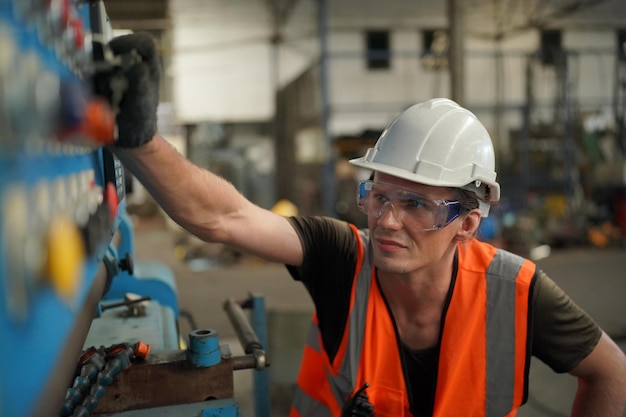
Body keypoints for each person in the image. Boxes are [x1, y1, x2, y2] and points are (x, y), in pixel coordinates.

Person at [102, 33, 626, 417]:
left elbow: (611, 372)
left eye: (417, 205)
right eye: (377, 196)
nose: (387, 221)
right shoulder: (342, 257)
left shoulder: (518, 292)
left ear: (467, 223)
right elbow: (222, 217)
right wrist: (139, 139)